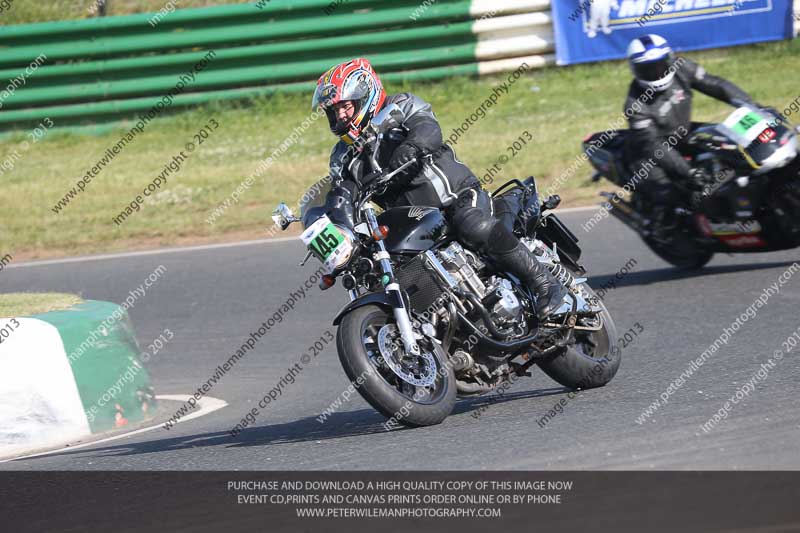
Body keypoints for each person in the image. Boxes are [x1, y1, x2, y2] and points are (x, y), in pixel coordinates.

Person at [312, 58, 566, 320]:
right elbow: (342, 194)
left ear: (365, 95)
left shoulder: (399, 106)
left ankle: (545, 284)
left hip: (457, 197)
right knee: (382, 268)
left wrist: (411, 147)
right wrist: (336, 223)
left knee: (472, 224)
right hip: (415, 223)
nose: (340, 114)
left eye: (345, 105)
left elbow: (428, 128)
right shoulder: (342, 157)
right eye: (333, 110)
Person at [623, 34, 754, 228]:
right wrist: (689, 171)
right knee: (671, 194)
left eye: (660, 65)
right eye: (648, 69)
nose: (656, 72)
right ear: (635, 70)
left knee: (731, 144)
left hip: (683, 133)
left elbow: (716, 85)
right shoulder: (635, 105)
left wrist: (751, 106)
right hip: (649, 153)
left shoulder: (681, 67)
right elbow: (653, 145)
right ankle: (674, 227)